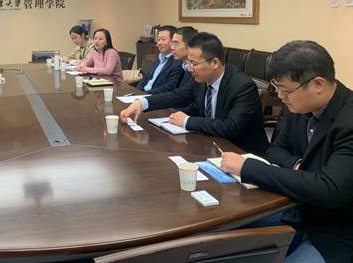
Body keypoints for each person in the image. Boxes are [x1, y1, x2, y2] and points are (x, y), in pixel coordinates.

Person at [221, 41, 353, 262]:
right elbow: (274, 150)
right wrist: (300, 167)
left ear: (318, 84)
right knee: (222, 234)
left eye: (286, 90)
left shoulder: (348, 120)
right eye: (278, 88)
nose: (281, 97)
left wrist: (249, 168)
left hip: (334, 230)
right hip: (295, 209)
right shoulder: (299, 105)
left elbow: (328, 190)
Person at [121, 32, 268, 155]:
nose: (190, 69)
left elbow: (231, 127)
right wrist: (143, 102)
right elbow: (178, 95)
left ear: (215, 63)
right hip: (210, 144)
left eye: (194, 64)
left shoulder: (242, 86)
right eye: (188, 62)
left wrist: (187, 121)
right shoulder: (201, 79)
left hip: (241, 153)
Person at [136, 25, 183, 94]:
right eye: (158, 39)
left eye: (163, 39)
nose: (159, 43)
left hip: (154, 96)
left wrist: (145, 95)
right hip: (142, 94)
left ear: (173, 41)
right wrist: (137, 92)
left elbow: (169, 87)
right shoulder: (159, 58)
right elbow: (146, 78)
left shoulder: (177, 62)